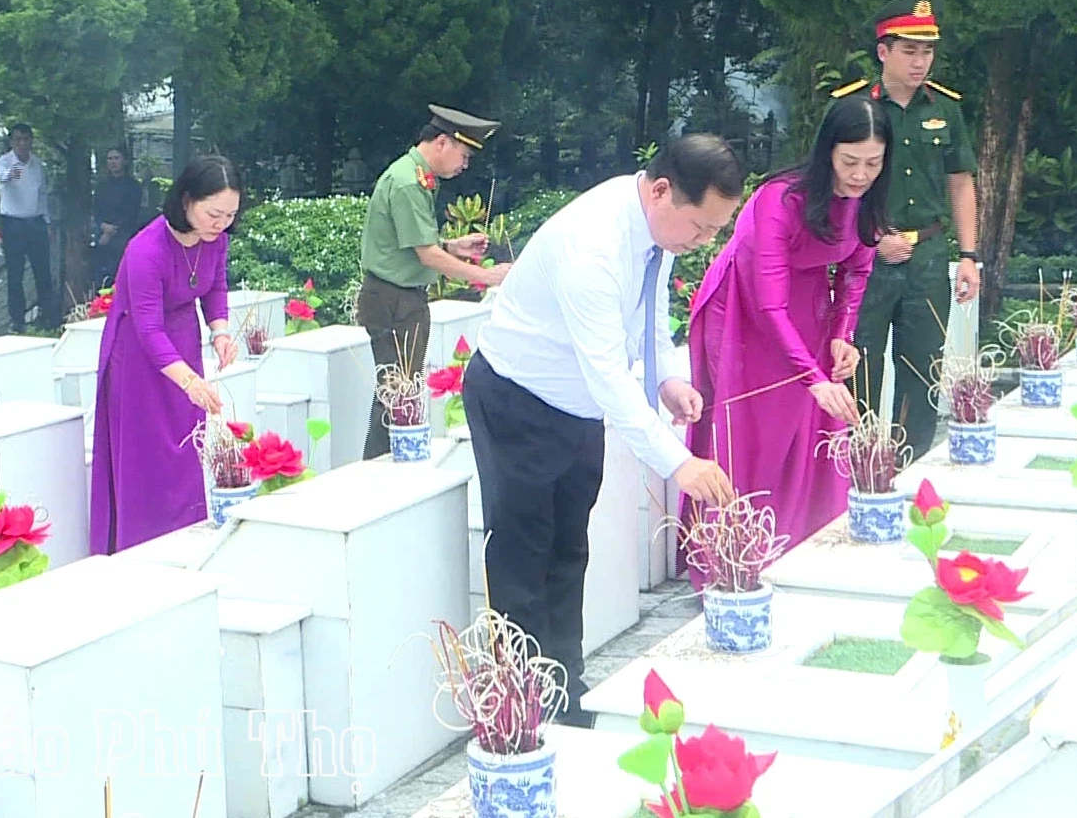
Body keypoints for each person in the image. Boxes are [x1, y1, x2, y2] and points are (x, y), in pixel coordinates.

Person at [464, 133, 740, 724]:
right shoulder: (593, 246)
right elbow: (611, 377)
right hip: (520, 398)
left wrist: (668, 375)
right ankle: (520, 705)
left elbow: (650, 307)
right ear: (663, 191)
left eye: (715, 231)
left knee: (569, 549)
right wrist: (678, 463)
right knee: (521, 554)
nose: (703, 242)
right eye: (701, 228)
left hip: (576, 407)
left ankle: (565, 687)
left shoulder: (651, 224)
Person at [681, 97, 893, 570]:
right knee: (751, 427)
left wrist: (842, 335)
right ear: (826, 154)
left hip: (809, 310)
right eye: (850, 162)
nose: (860, 175)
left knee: (811, 425)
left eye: (873, 164)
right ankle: (730, 561)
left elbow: (856, 271)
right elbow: (768, 302)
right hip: (744, 308)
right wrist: (813, 376)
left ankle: (799, 544)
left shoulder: (868, 202)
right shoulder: (782, 199)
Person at [846, 0, 981, 453]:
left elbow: (961, 183)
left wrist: (969, 256)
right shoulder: (853, 108)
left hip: (926, 255)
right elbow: (834, 187)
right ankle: (859, 471)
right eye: (909, 51)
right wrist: (868, 240)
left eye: (927, 51)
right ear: (883, 51)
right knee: (859, 367)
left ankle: (911, 469)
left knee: (923, 370)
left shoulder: (945, 110)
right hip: (865, 258)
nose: (920, 62)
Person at [89, 155, 242, 555]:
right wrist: (190, 380)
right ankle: (139, 546)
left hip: (184, 340)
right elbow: (148, 329)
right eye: (213, 213)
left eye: (229, 215)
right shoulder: (146, 250)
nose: (220, 224)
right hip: (137, 356)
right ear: (187, 200)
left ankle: (186, 537)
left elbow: (215, 287)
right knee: (146, 454)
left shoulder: (216, 240)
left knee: (185, 446)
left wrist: (220, 332)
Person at [358, 105, 512, 460]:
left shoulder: (415, 176)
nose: (465, 164)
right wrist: (487, 276)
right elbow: (426, 255)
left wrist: (452, 246)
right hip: (393, 299)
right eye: (464, 154)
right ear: (442, 142)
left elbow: (409, 244)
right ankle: (377, 469)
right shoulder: (409, 182)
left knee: (398, 391)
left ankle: (383, 466)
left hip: (396, 295)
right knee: (398, 393)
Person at [0, 123, 59, 331]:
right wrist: (13, 172)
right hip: (13, 223)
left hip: (36, 222)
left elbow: (42, 196)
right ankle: (17, 320)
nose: (22, 143)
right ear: (12, 142)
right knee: (15, 274)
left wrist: (47, 222)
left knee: (43, 271)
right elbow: (2, 178)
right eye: (18, 139)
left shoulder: (37, 164)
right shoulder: (3, 162)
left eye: (26, 139)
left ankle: (47, 316)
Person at [92, 145, 145, 291]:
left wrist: (111, 231)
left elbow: (130, 213)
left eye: (116, 158)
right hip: (102, 234)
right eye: (110, 159)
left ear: (125, 161)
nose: (113, 162)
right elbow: (96, 210)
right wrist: (103, 227)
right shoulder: (101, 186)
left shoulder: (133, 186)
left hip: (123, 235)